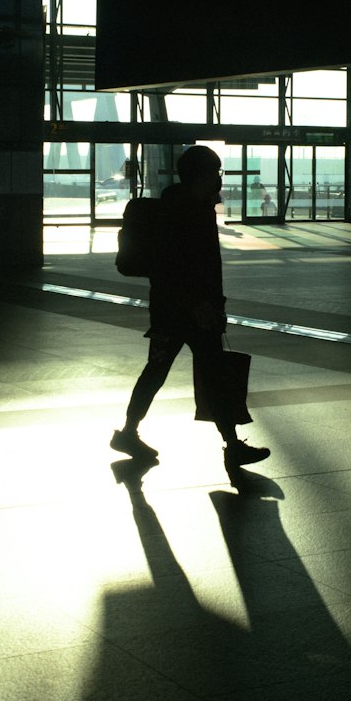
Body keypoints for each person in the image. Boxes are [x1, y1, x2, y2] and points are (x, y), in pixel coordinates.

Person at [111, 145, 270, 472]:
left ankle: (228, 443)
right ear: (203, 174)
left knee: (183, 372)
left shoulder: (192, 206)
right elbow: (179, 265)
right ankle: (230, 446)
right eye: (216, 172)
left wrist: (213, 304)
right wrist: (202, 304)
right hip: (185, 312)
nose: (219, 178)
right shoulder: (185, 211)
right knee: (193, 373)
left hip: (178, 311)